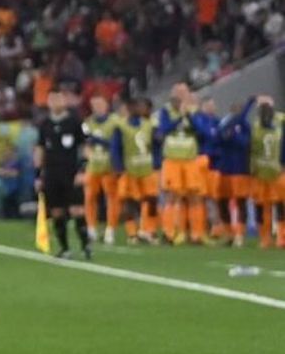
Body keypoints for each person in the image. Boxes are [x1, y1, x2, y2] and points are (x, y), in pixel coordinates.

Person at [34, 83, 93, 260]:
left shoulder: (75, 122)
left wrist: (83, 169)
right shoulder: (44, 124)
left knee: (77, 210)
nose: (55, 102)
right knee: (57, 211)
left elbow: (86, 146)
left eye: (58, 99)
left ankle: (86, 245)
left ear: (64, 101)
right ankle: (65, 248)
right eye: (52, 99)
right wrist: (38, 175)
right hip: (52, 173)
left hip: (72, 173)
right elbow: (40, 149)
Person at [156, 83, 210, 245]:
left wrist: (189, 116)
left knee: (195, 196)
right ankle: (169, 233)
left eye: (183, 92)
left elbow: (203, 132)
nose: (180, 96)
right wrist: (180, 117)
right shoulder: (166, 111)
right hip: (172, 159)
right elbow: (164, 129)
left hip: (190, 159)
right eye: (177, 92)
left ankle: (196, 234)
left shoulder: (194, 111)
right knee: (171, 196)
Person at [80, 93, 125, 244]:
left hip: (109, 166)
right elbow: (85, 145)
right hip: (93, 166)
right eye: (94, 105)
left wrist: (100, 142)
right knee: (89, 197)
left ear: (106, 105)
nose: (97, 108)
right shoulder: (88, 123)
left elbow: (117, 144)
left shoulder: (115, 121)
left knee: (112, 198)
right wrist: (89, 156)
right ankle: (91, 228)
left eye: (100, 104)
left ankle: (110, 229)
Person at [117, 96, 162, 244]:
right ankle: (132, 233)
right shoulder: (121, 126)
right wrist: (118, 166)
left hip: (147, 168)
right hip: (129, 169)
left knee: (151, 200)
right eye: (135, 106)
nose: (138, 109)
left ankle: (150, 230)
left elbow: (157, 144)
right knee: (130, 202)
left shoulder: (149, 124)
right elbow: (116, 147)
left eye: (139, 106)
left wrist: (157, 162)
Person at [213, 98, 254, 246]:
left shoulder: (245, 126)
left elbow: (245, 143)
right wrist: (225, 137)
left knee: (240, 201)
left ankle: (240, 234)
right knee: (222, 201)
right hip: (225, 168)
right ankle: (228, 232)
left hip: (240, 169)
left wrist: (233, 137)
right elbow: (217, 140)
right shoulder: (224, 124)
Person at [249, 96, 283, 248]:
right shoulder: (257, 126)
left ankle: (276, 237)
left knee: (276, 204)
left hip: (272, 171)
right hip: (264, 172)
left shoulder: (278, 122)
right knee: (264, 206)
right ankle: (266, 237)